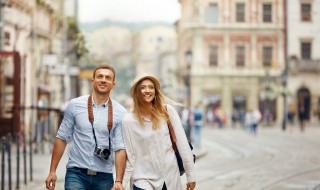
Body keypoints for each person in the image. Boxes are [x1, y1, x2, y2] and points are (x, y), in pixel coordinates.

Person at [45, 65, 127, 190]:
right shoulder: (75, 105)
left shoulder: (120, 112)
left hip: (104, 177)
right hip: (76, 174)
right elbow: (62, 137)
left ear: (113, 84)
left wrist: (119, 181)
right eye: (100, 76)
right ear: (92, 80)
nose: (103, 80)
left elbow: (120, 148)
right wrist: (52, 171)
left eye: (108, 78)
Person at [122, 74, 196, 190]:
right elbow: (130, 156)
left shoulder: (168, 112)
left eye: (151, 87)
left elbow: (183, 145)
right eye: (143, 87)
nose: (147, 91)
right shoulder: (128, 121)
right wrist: (121, 183)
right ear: (137, 92)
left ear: (155, 91)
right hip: (143, 180)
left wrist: (190, 176)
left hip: (169, 178)